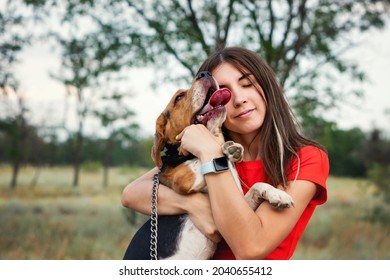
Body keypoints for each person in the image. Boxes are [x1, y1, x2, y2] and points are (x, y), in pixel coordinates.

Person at [121, 47, 329, 260]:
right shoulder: (199, 154)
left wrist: (211, 153)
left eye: (247, 84)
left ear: (267, 87)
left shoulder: (305, 159)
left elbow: (251, 248)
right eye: (225, 92)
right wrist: (192, 204)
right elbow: (131, 194)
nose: (239, 99)